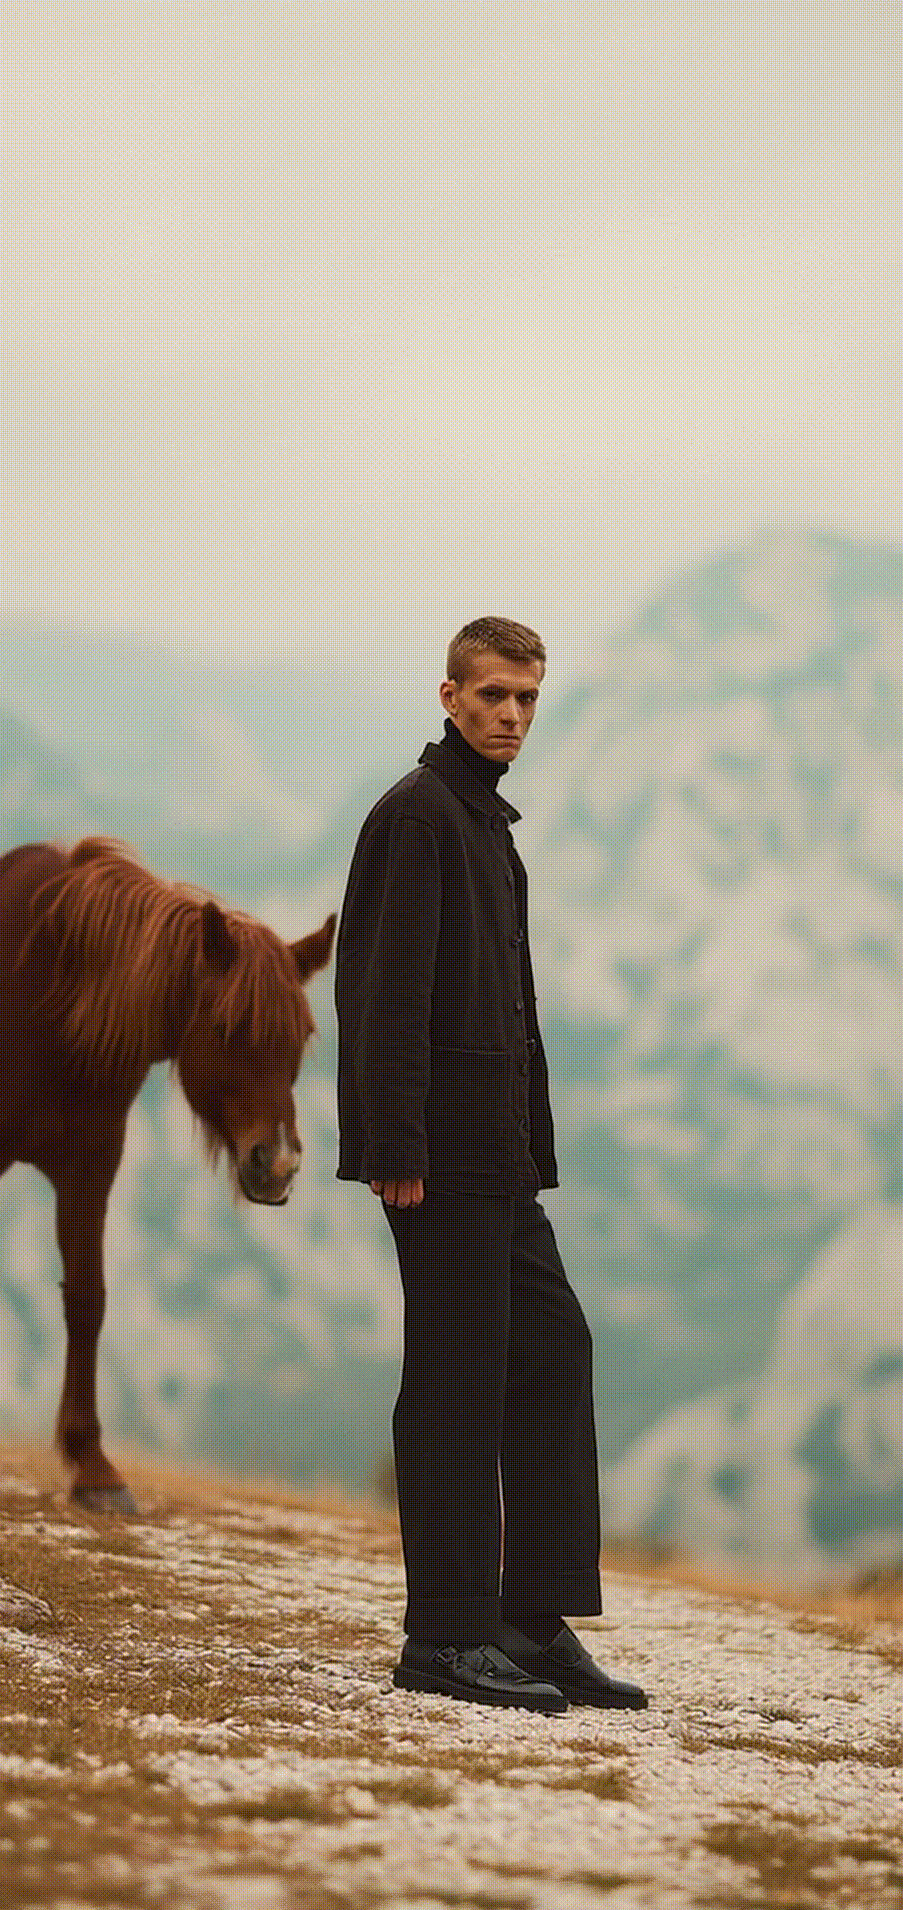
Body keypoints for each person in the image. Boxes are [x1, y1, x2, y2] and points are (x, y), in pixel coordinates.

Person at [335, 616, 648, 1712]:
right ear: (448, 696)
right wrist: (394, 1144)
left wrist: (531, 1148)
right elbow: (381, 992)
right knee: (457, 1390)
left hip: (501, 1161)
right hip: (439, 1163)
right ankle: (445, 1638)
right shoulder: (414, 818)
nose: (511, 715)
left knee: (555, 1350)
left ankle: (529, 1617)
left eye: (526, 699)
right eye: (493, 696)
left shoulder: (484, 821)